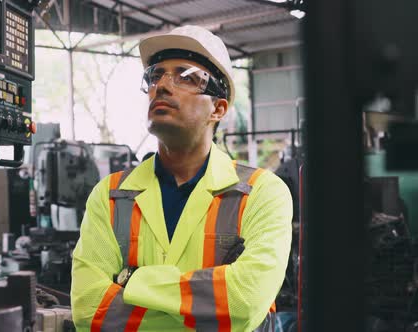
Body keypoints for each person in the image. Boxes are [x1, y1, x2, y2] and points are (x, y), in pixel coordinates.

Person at [71, 25, 292, 331]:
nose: (161, 85)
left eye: (186, 76)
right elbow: (88, 309)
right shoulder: (110, 195)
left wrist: (131, 280)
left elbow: (244, 300)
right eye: (155, 75)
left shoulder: (261, 193)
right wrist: (205, 310)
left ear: (218, 108)